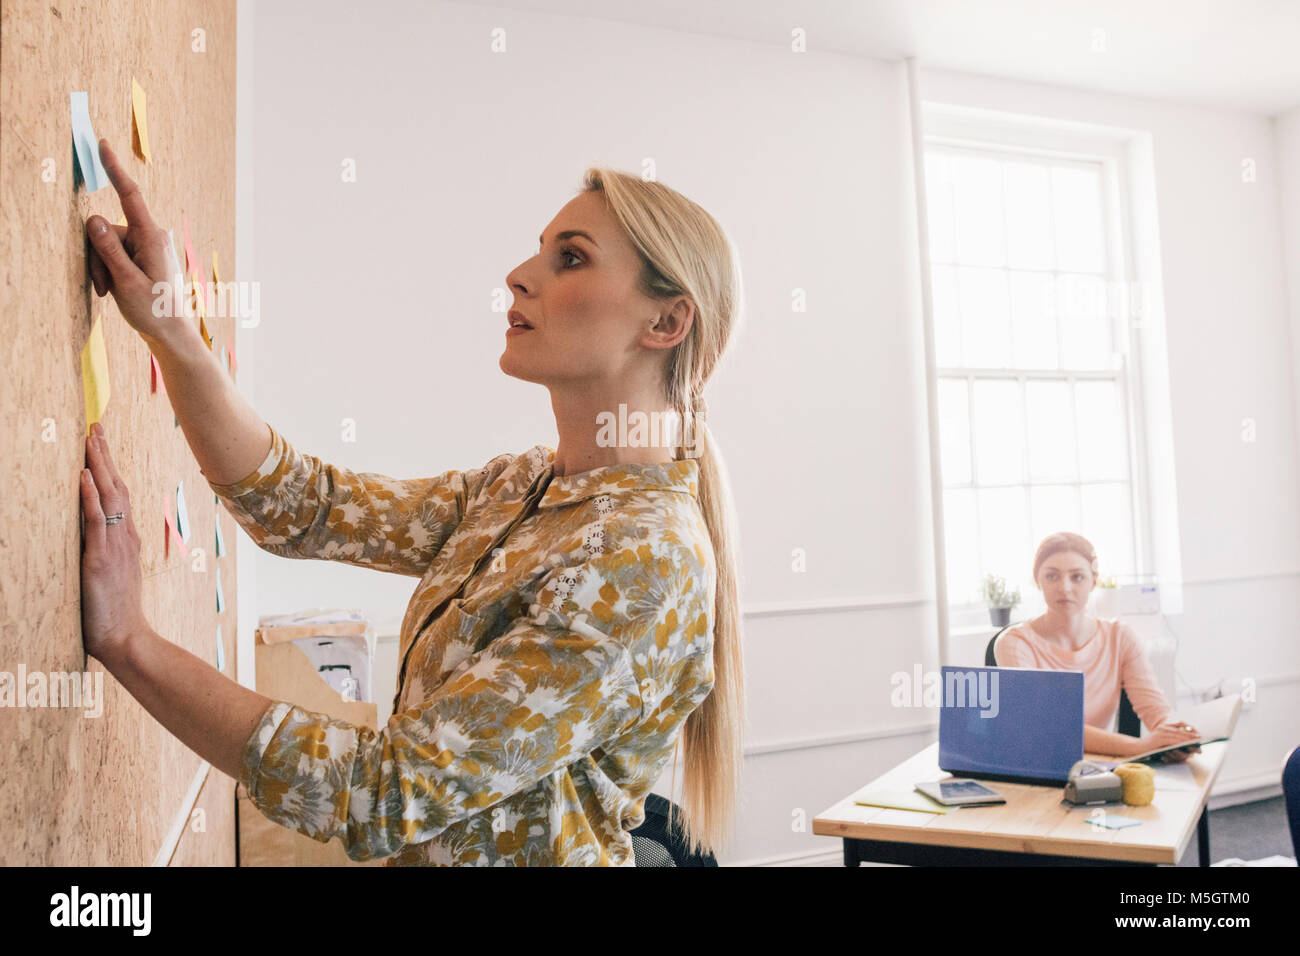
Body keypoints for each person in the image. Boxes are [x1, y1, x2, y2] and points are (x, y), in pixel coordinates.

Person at [78, 137, 746, 865]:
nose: (520, 276)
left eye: (572, 258)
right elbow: (304, 508)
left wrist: (129, 642)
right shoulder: (520, 486)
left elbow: (382, 791)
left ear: (665, 323)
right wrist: (172, 329)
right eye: (541, 251)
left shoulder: (646, 561)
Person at [993, 532, 1200, 761]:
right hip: (1035, 764)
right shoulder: (1014, 643)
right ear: (1037, 579)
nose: (1065, 588)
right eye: (1052, 576)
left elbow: (1155, 709)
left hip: (1098, 766)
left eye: (1077, 577)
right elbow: (1046, 726)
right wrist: (1140, 746)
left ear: (1093, 581)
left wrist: (1172, 738)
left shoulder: (1120, 637)